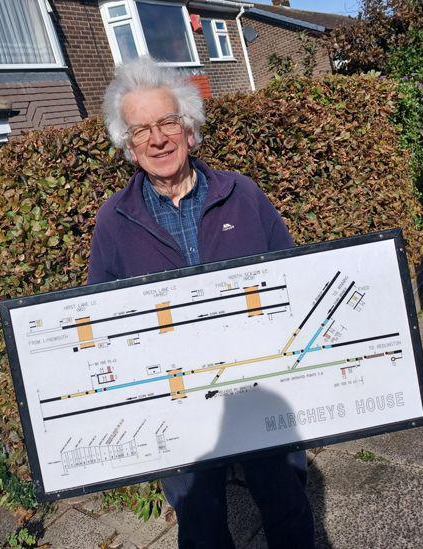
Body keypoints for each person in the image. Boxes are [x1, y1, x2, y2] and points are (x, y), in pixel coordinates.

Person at [87, 57, 316, 549]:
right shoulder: (113, 221)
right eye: (141, 129)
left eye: (168, 122)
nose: (158, 139)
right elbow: (100, 322)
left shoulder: (243, 194)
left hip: (259, 385)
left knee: (287, 507)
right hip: (176, 406)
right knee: (201, 526)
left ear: (190, 130)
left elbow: (292, 280)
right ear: (128, 146)